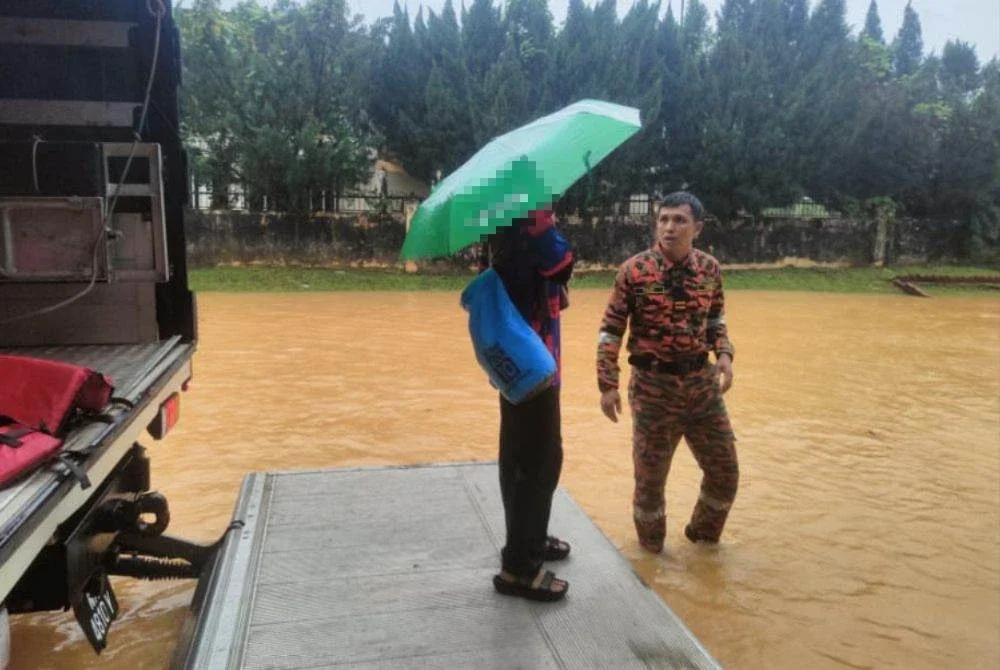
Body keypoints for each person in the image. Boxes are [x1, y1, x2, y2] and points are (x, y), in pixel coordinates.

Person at [596, 191, 738, 553]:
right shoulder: (634, 270)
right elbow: (611, 330)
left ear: (698, 227)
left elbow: (716, 320)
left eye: (679, 220)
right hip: (653, 391)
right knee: (650, 485)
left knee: (725, 473)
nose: (669, 228)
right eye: (663, 219)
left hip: (702, 388)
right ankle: (651, 559)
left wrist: (723, 353)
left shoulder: (709, 269)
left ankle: (703, 542)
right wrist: (607, 384)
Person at [483, 207, 574, 601]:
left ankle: (528, 542)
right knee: (539, 462)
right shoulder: (531, 221)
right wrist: (547, 222)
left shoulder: (502, 224)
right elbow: (562, 265)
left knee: (520, 457)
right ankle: (519, 568)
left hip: (519, 364)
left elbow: (550, 284)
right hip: (533, 364)